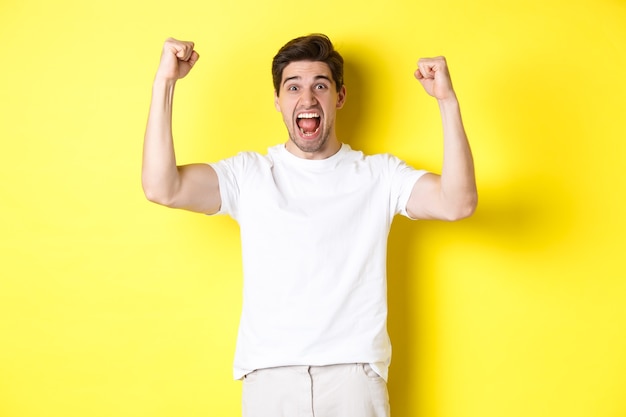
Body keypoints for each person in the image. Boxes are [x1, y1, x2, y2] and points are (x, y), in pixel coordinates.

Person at [142, 34, 477, 417]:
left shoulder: (379, 176)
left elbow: (458, 202)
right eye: (293, 87)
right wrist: (164, 83)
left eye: (320, 85)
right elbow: (161, 186)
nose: (307, 98)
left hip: (354, 379)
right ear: (278, 100)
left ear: (340, 96)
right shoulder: (248, 175)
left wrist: (447, 102)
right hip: (270, 380)